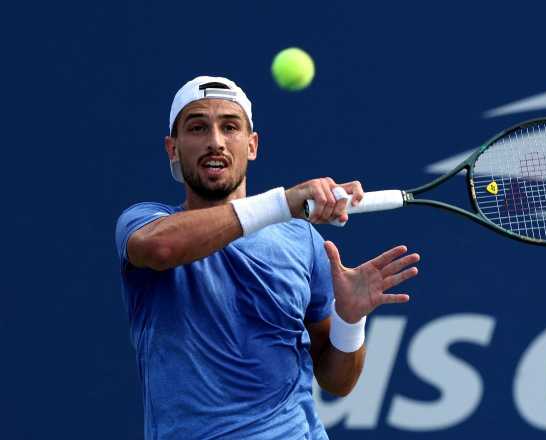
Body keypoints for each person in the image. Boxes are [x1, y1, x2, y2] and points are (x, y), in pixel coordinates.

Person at [114, 76, 419, 439]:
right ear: (173, 149)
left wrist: (349, 320)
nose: (215, 142)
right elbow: (161, 249)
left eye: (230, 127)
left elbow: (338, 382)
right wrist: (283, 202)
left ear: (252, 145)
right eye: (198, 128)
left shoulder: (302, 239)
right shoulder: (146, 222)